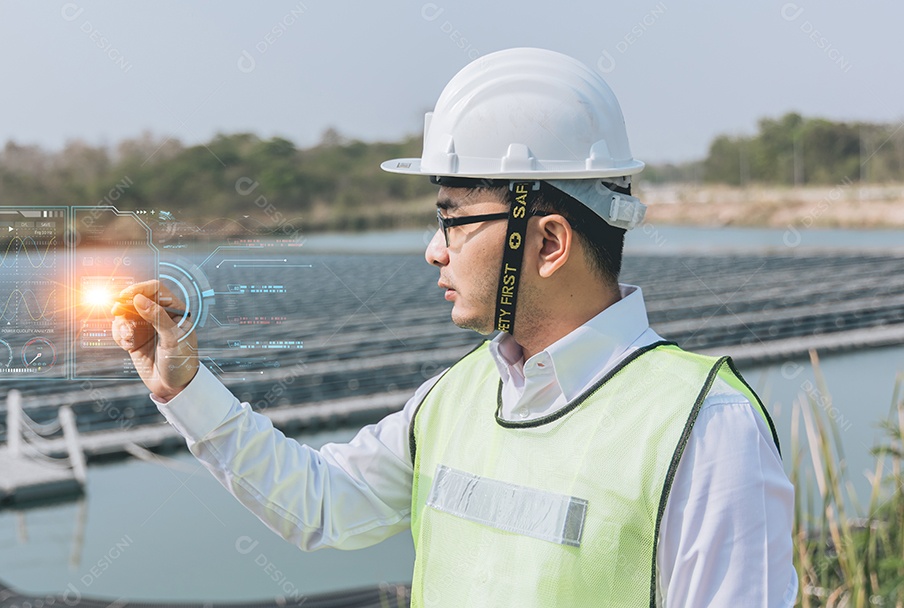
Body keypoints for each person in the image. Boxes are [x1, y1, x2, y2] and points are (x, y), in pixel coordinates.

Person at [111, 48, 797, 607]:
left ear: (549, 242)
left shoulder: (705, 429)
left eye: (454, 219)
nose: (434, 249)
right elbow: (320, 506)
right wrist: (186, 387)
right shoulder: (456, 398)